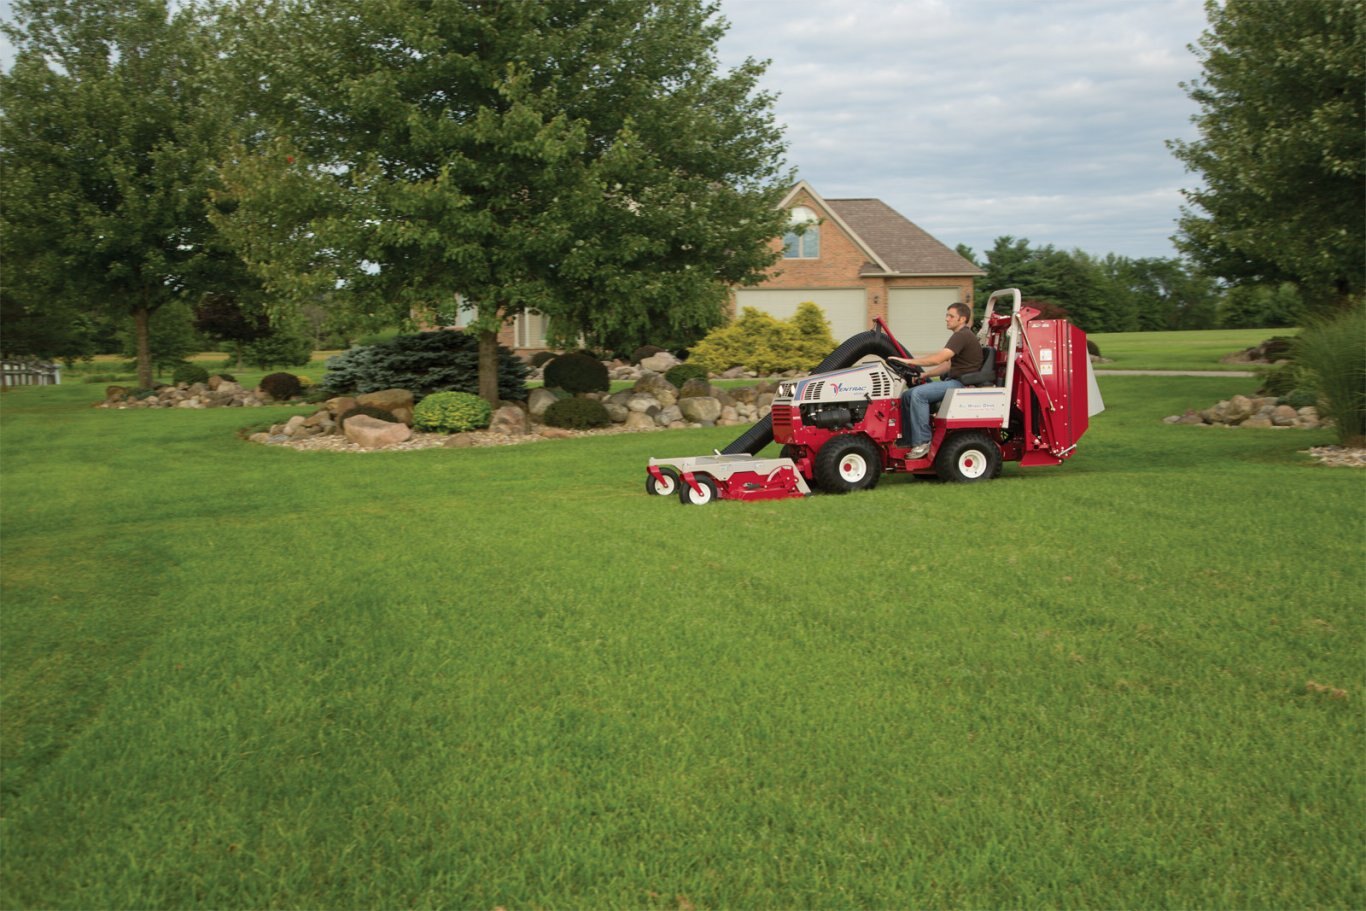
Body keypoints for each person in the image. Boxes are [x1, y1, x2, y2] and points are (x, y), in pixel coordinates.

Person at [888, 302, 983, 458]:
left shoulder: (962, 335)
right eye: (947, 315)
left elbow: (939, 359)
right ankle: (908, 440)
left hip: (961, 384)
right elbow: (948, 365)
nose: (946, 319)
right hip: (954, 380)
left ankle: (923, 443)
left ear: (962, 319)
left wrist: (908, 361)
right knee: (907, 394)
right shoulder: (960, 336)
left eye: (951, 316)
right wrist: (925, 375)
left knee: (918, 395)